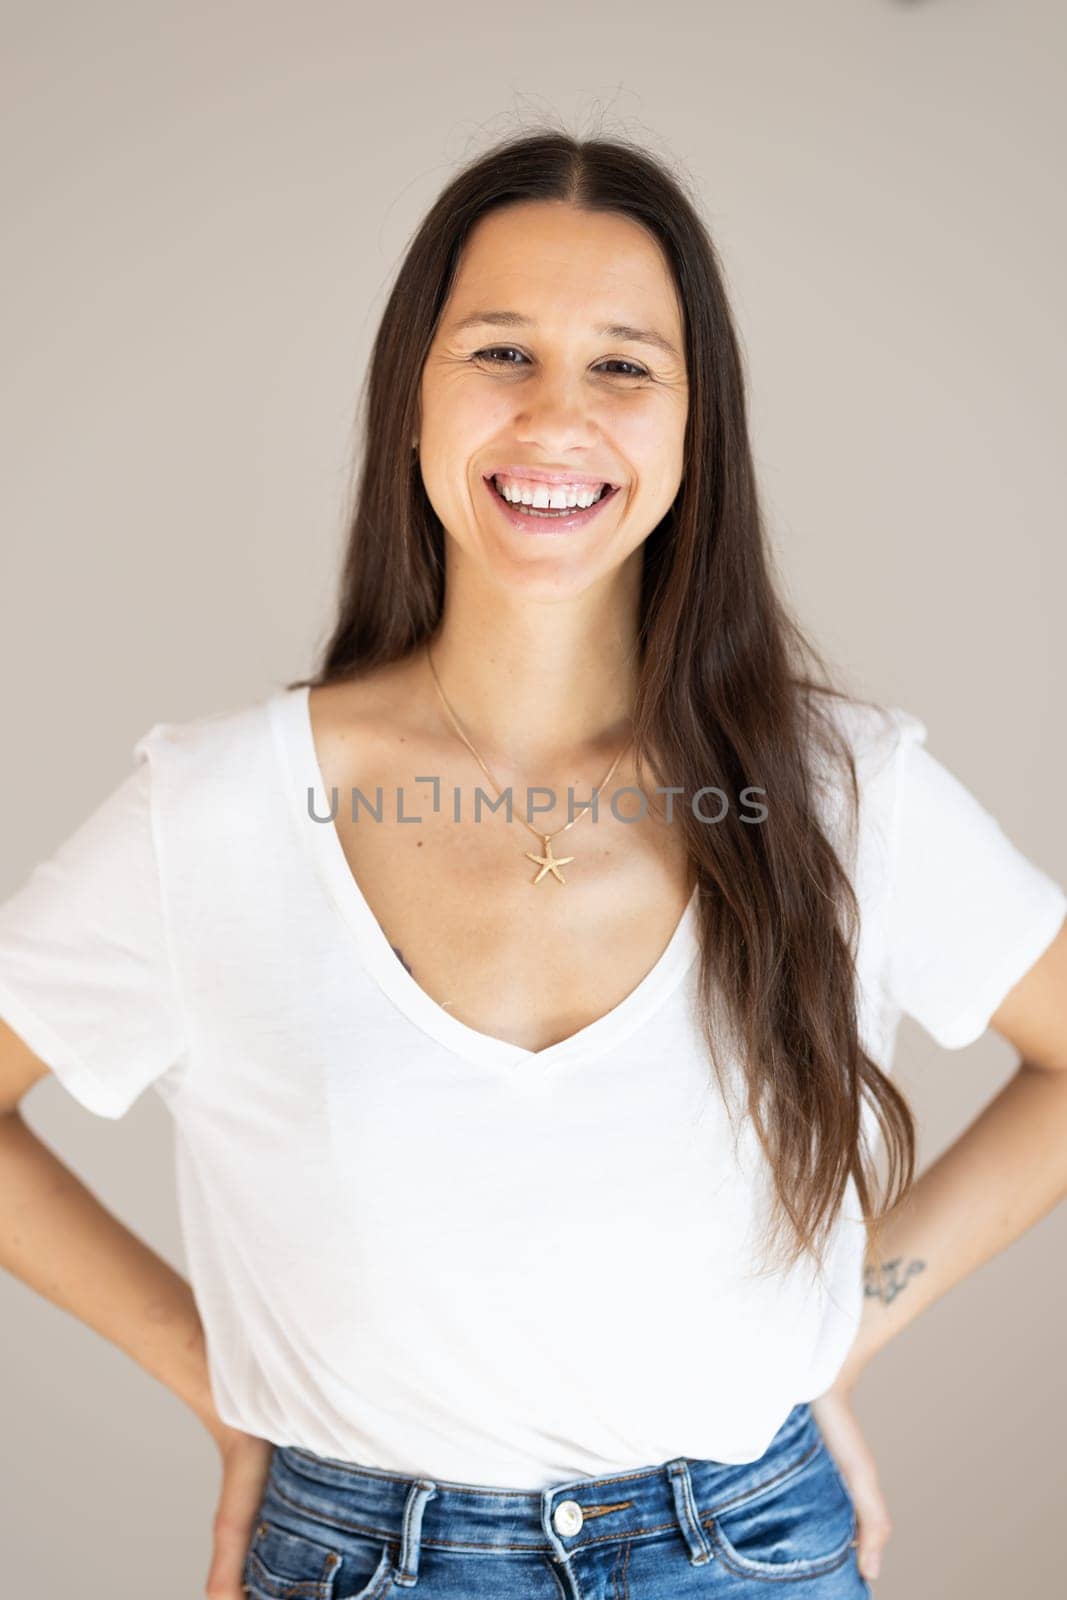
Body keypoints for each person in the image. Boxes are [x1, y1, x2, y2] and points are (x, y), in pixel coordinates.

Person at [1, 128, 1065, 1600]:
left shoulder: (835, 793)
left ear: (697, 428)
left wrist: (834, 1336)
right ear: (413, 403)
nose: (558, 416)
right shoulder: (221, 807)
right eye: (502, 352)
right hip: (364, 1566)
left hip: (751, 1556)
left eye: (624, 366)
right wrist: (221, 1385)